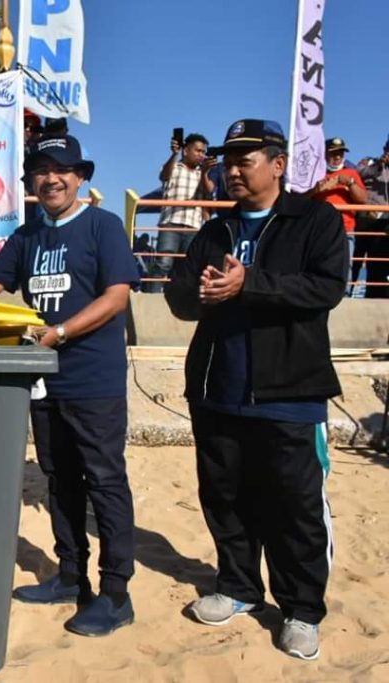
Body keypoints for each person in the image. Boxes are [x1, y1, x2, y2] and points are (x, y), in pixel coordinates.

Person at [0, 135, 140, 637]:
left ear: (80, 177)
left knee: (105, 481)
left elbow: (116, 296)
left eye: (61, 169)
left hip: (94, 380)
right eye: (41, 171)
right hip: (43, 382)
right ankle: (70, 576)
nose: (51, 179)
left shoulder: (102, 227)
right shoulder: (27, 236)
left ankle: (116, 594)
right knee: (60, 478)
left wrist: (61, 333)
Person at [164, 119, 346, 661]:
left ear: (279, 164)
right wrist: (200, 294)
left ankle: (302, 610)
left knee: (294, 507)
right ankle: (239, 586)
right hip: (217, 389)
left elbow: (327, 288)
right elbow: (178, 297)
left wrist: (251, 284)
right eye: (228, 160)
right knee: (225, 496)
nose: (233, 170)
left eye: (246, 160)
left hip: (289, 391)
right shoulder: (214, 231)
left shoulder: (314, 220)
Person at [148, 132, 215, 291]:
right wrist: (174, 154)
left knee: (189, 267)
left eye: (204, 152)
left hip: (193, 225)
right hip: (171, 223)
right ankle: (153, 298)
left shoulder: (202, 173)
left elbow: (209, 190)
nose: (202, 155)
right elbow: (163, 176)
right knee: (164, 263)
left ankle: (183, 300)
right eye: (198, 151)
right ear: (186, 151)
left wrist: (205, 172)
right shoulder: (174, 167)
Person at [310, 137, 367, 295]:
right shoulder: (316, 173)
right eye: (334, 153)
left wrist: (349, 183)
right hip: (319, 227)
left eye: (340, 153)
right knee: (318, 260)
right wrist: (318, 189)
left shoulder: (351, 173)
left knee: (345, 262)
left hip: (345, 227)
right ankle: (319, 292)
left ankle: (345, 294)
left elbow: (362, 199)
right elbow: (302, 197)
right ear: (326, 154)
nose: (337, 157)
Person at [356, 138, 389, 297]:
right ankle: (347, 291)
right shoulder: (368, 161)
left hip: (384, 222)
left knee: (377, 259)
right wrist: (378, 165)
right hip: (365, 218)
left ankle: (375, 293)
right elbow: (358, 173)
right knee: (357, 256)